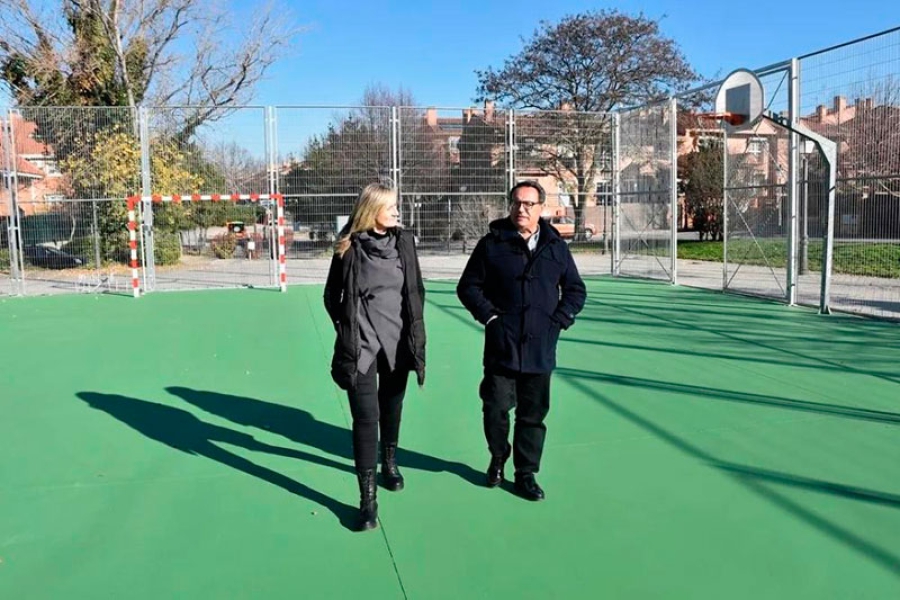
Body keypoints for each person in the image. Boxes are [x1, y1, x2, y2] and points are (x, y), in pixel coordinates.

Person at [456, 181, 586, 501]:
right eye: (516, 202)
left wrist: (558, 322)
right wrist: (491, 318)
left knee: (532, 415)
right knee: (495, 408)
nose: (521, 209)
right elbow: (468, 287)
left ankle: (525, 473)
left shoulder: (556, 247)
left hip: (541, 346)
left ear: (541, 208)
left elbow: (575, 290)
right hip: (502, 345)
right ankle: (498, 456)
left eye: (529, 204)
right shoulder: (491, 244)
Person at [324, 182, 426, 531]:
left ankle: (390, 462)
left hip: (398, 342)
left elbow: (416, 290)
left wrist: (413, 331)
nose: (398, 212)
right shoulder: (348, 248)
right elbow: (331, 296)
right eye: (392, 207)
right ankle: (367, 500)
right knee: (366, 418)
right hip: (362, 345)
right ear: (373, 211)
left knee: (391, 408)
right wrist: (348, 326)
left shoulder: (405, 243)